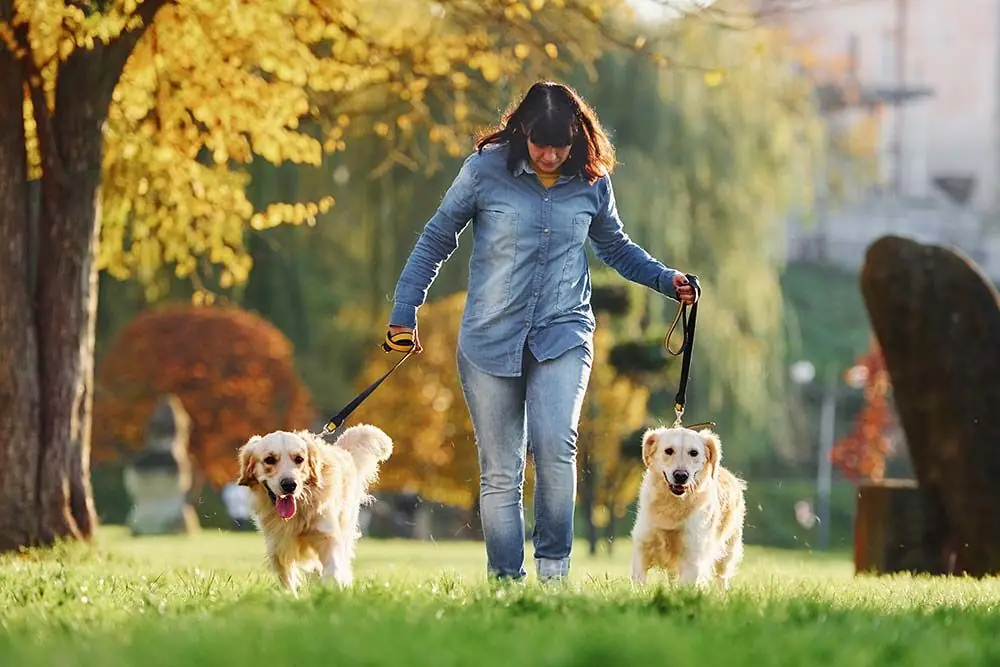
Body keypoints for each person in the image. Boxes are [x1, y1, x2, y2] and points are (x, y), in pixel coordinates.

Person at [387, 80, 698, 582]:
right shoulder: (485, 171)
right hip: (490, 336)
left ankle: (553, 574)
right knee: (502, 470)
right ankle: (506, 582)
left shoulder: (592, 181)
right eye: (540, 144)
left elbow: (614, 247)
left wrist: (667, 280)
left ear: (578, 138)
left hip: (563, 331)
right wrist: (406, 309)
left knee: (556, 444)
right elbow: (437, 236)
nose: (551, 155)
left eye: (562, 146)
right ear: (522, 132)